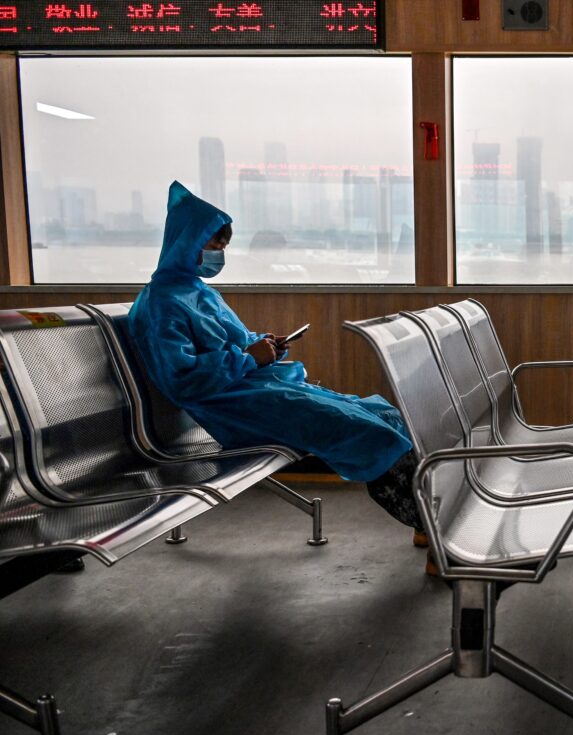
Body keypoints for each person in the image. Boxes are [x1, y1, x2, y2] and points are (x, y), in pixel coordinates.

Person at [128, 181, 428, 550]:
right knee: (365, 431)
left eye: (223, 247)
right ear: (187, 243)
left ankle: (427, 517)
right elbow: (181, 380)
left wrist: (265, 345)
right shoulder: (161, 303)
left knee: (382, 413)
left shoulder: (200, 292)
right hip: (229, 408)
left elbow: (235, 340)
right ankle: (430, 526)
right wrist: (249, 358)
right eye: (214, 245)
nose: (219, 255)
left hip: (256, 391)